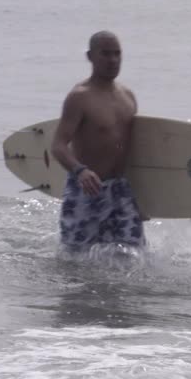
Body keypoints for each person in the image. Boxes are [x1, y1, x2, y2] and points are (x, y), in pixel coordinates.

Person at [50, 31, 146, 252]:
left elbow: (130, 150)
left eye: (117, 54)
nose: (112, 60)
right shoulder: (79, 97)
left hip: (121, 192)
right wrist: (80, 171)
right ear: (90, 56)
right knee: (76, 260)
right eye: (105, 54)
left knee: (134, 256)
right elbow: (58, 145)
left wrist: (142, 200)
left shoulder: (128, 96)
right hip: (86, 189)